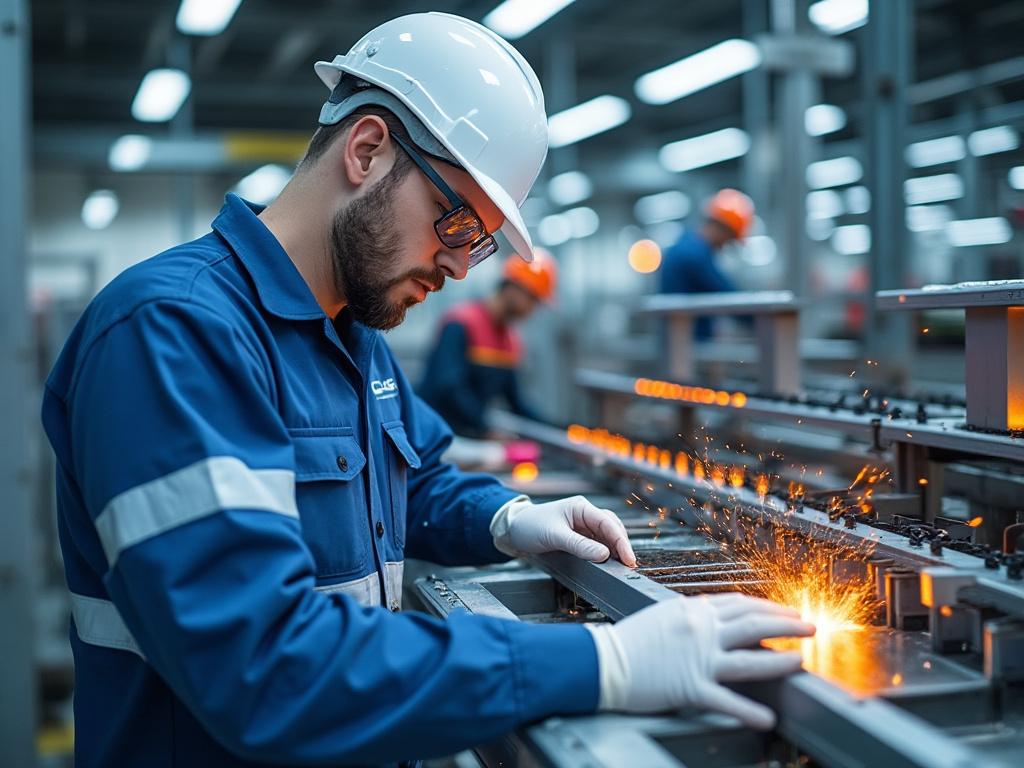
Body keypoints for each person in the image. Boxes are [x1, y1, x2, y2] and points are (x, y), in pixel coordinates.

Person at [41, 13, 812, 767]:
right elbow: (263, 664)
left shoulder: (351, 335)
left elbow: (412, 483)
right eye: (457, 225)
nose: (459, 270)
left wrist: (507, 519)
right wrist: (596, 662)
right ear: (369, 150)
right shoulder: (172, 332)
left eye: (480, 245)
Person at [418, 251, 555, 438]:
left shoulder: (511, 341)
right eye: (533, 300)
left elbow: (516, 401)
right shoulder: (461, 323)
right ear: (513, 288)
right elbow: (448, 386)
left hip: (470, 435)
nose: (533, 310)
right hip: (432, 433)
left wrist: (558, 429)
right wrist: (486, 428)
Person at [659, 188, 755, 340]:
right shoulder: (694, 255)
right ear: (722, 229)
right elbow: (727, 296)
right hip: (687, 344)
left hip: (677, 342)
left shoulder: (684, 245)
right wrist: (760, 317)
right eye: (729, 239)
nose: (726, 245)